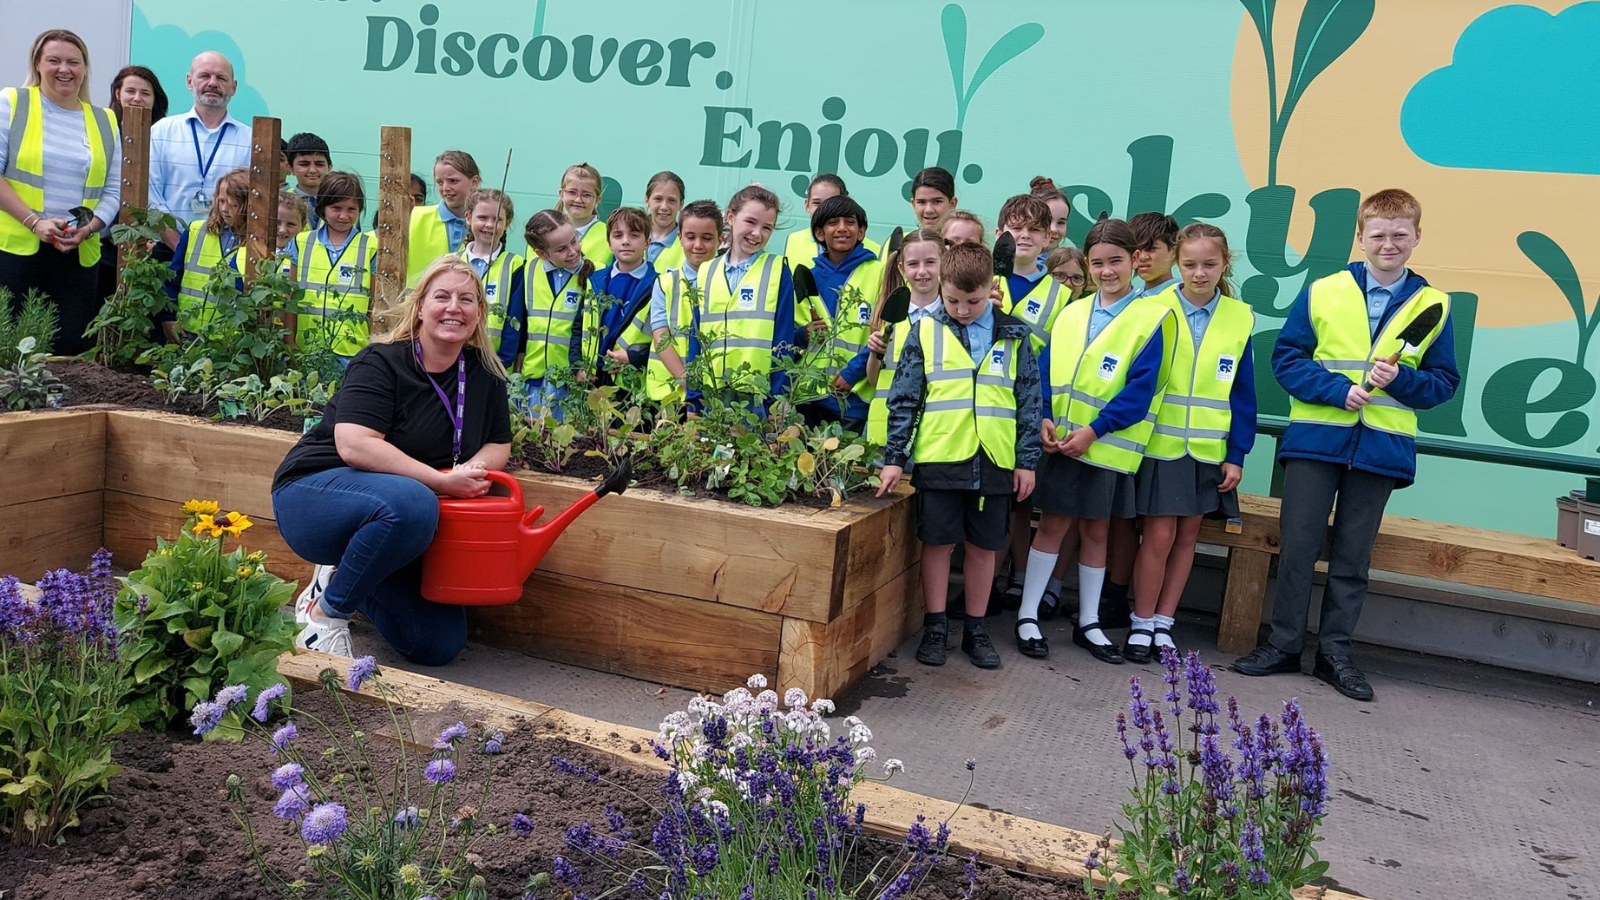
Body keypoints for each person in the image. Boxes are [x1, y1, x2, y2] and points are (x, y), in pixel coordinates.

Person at [1233, 188, 1458, 701]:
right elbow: (1287, 359)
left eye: (1400, 234)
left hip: (1381, 450)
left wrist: (1399, 380)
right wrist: (1337, 390)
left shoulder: (1435, 305)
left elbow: (1443, 384)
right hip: (1317, 441)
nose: (1388, 243)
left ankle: (1334, 655)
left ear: (1417, 237)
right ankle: (1283, 645)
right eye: (1377, 233)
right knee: (1297, 548)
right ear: (1360, 237)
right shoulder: (1323, 290)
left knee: (1353, 559)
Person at [274, 254, 512, 665]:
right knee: (411, 502)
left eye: (467, 299)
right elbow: (354, 444)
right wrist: (438, 482)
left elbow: (498, 444)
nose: (454, 307)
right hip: (318, 492)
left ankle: (339, 578)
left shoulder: (484, 376)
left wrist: (467, 470)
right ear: (420, 307)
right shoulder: (381, 362)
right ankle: (325, 616)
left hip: (402, 513)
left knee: (436, 644)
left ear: (479, 313)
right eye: (442, 297)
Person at [1012, 218, 1176, 664]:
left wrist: (1093, 432)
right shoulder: (1071, 311)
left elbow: (1141, 392)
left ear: (1134, 261)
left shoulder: (1155, 317)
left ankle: (1089, 622)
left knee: (1096, 532)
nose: (1108, 271)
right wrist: (1044, 416)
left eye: (1117, 261)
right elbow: (1043, 372)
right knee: (1051, 526)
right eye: (1098, 262)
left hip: (1103, 447)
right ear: (1087, 263)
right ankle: (1027, 615)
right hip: (1062, 444)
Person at [877, 241, 1040, 669]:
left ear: (992, 288)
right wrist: (895, 456)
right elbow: (905, 398)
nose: (963, 309)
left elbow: (1030, 402)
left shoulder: (1016, 334)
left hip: (995, 461)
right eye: (952, 300)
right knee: (937, 543)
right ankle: (935, 627)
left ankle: (976, 629)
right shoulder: (924, 330)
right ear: (942, 289)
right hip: (940, 458)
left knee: (985, 547)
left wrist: (1027, 461)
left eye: (973, 300)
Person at [1127, 223, 1256, 662]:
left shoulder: (1240, 317)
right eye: (1190, 264)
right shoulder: (1152, 306)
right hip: (1159, 445)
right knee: (1158, 536)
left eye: (1210, 264)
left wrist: (1236, 455)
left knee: (1188, 538)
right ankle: (1141, 622)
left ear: (1225, 265)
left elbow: (1243, 393)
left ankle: (1165, 622)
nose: (1200, 273)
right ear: (1177, 264)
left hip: (1209, 450)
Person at [0, 30, 122, 356]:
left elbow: (112, 190)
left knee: (70, 350)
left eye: (73, 62)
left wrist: (90, 228)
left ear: (85, 69)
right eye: (54, 60)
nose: (64, 69)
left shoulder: (105, 119)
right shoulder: (13, 101)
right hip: (16, 252)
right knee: (11, 350)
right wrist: (33, 221)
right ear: (38, 65)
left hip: (78, 254)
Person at [686, 184, 797, 411]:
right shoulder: (706, 271)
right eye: (750, 222)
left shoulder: (778, 271)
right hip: (711, 395)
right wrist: (693, 398)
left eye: (767, 227)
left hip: (757, 400)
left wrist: (776, 401)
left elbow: (784, 341)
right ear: (730, 217)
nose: (757, 233)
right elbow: (695, 338)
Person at [148, 52, 250, 247]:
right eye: (205, 76)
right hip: (166, 248)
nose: (212, 83)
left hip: (230, 249)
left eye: (221, 78)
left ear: (233, 87)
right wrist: (178, 245)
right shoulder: (162, 131)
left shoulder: (249, 139)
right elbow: (149, 194)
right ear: (189, 81)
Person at [798, 194, 881, 431]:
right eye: (833, 222)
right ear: (820, 233)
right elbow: (791, 334)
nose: (842, 228)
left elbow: (886, 332)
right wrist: (802, 334)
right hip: (809, 397)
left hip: (854, 399)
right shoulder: (808, 276)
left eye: (850, 222)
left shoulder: (880, 273)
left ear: (861, 232)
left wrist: (853, 373)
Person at [857, 227, 943, 446]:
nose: (922, 271)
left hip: (935, 435)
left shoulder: (953, 318)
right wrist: (874, 354)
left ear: (945, 262)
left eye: (930, 262)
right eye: (913, 264)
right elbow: (874, 379)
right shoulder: (890, 317)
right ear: (902, 268)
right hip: (887, 432)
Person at [98, 65, 168, 303]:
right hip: (104, 244)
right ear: (118, 93)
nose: (137, 98)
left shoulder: (163, 136)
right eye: (130, 91)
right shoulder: (101, 131)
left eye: (145, 93)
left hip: (152, 247)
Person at [519, 208, 597, 414]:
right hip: (533, 379)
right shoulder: (528, 270)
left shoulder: (597, 274)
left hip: (572, 382)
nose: (572, 251)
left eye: (574, 241)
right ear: (542, 254)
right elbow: (521, 324)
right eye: (561, 249)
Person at [645, 198, 722, 402]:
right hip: (667, 392)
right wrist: (686, 380)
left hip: (713, 390)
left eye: (707, 238)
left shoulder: (727, 284)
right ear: (680, 237)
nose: (698, 245)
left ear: (720, 240)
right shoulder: (665, 283)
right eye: (690, 237)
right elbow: (660, 335)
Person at [293, 171, 375, 361]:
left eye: (351, 209)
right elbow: (291, 296)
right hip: (307, 350)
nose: (343, 216)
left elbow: (375, 304)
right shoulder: (301, 242)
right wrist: (290, 341)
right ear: (322, 207)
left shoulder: (371, 246)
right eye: (336, 208)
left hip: (354, 353)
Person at [164, 167, 246, 339]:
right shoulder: (195, 230)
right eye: (221, 201)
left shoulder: (259, 242)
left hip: (230, 340)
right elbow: (172, 279)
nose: (225, 209)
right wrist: (168, 319)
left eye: (234, 204)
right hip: (188, 332)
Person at [456, 188, 524, 367]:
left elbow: (515, 320)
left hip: (494, 362)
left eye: (497, 219)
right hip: (452, 359)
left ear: (507, 223)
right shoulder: (451, 263)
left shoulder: (515, 265)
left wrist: (502, 362)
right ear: (469, 217)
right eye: (483, 218)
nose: (489, 225)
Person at [591, 206, 659, 375]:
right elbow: (578, 328)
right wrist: (580, 367)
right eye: (617, 235)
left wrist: (634, 358)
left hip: (630, 383)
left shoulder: (659, 285)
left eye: (634, 235)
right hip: (591, 377)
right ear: (609, 242)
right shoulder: (593, 281)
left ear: (647, 242)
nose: (625, 241)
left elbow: (666, 338)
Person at [407, 150, 479, 284]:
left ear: (474, 182)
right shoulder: (415, 216)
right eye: (440, 182)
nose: (445, 188)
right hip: (418, 302)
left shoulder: (484, 224)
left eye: (453, 181)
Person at [781, 173, 878, 266]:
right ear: (807, 205)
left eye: (832, 202)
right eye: (817, 203)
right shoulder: (793, 240)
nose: (824, 209)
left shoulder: (875, 249)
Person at [556, 162, 612, 269]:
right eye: (572, 192)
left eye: (586, 195)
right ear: (561, 194)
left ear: (598, 199)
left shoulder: (610, 236)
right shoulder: (544, 232)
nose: (578, 200)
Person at [285, 132, 331, 232]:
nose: (313, 170)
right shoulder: (280, 201)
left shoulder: (342, 202)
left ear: (329, 167)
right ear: (290, 168)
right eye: (304, 164)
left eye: (319, 164)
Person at [644, 170, 686, 273]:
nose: (664, 207)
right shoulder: (628, 237)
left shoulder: (688, 244)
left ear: (681, 204)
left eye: (671, 200)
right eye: (658, 199)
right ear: (647, 201)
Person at [908, 166, 958, 233]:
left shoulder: (964, 242)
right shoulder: (900, 242)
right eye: (921, 202)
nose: (929, 210)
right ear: (913, 204)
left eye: (937, 201)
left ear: (952, 204)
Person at [1030, 176, 1071, 256]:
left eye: (1061, 222)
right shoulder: (1012, 263)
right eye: (1046, 220)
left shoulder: (1067, 263)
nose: (1054, 229)